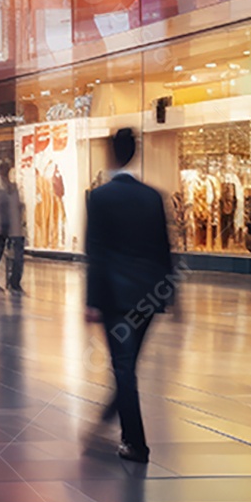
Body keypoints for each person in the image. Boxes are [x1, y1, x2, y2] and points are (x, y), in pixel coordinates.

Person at [84, 128, 176, 463]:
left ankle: (135, 442)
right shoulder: (154, 197)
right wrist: (169, 293)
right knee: (129, 361)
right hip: (149, 295)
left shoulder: (100, 197)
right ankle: (117, 403)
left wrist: (92, 301)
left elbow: (96, 252)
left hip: (115, 295)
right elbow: (165, 248)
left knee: (123, 365)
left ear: (111, 153)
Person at [0, 162, 25, 293]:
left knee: (15, 255)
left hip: (12, 226)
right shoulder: (3, 189)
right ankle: (12, 281)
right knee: (13, 255)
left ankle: (13, 281)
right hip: (9, 226)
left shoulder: (11, 188)